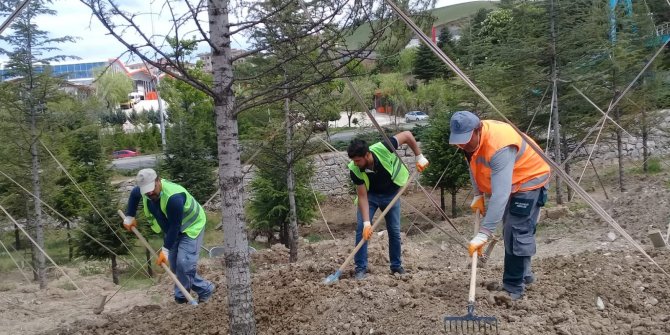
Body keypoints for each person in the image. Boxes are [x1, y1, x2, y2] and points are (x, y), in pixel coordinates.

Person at [449, 111, 550, 300]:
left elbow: (500, 194)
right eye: (459, 141)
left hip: (530, 178)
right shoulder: (468, 143)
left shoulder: (499, 145)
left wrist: (484, 233)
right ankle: (524, 274)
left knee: (516, 230)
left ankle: (513, 288)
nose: (462, 145)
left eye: (466, 140)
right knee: (512, 230)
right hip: (511, 180)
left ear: (478, 130)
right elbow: (473, 165)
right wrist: (478, 194)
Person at [123, 168, 215, 304]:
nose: (149, 192)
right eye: (146, 190)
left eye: (152, 188)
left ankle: (182, 297)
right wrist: (130, 216)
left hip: (191, 226)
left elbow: (175, 226)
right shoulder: (144, 191)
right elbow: (134, 194)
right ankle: (202, 290)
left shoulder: (173, 197)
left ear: (158, 181)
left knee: (184, 263)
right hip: (172, 229)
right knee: (175, 266)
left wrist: (165, 250)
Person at [347, 131, 429, 280]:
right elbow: (362, 196)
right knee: (361, 230)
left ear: (367, 155)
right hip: (370, 196)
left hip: (391, 194)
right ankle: (360, 268)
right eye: (354, 161)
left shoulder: (383, 148)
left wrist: (419, 156)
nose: (355, 163)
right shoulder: (354, 169)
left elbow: (407, 135)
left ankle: (396, 266)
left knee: (394, 231)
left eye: (358, 160)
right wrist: (367, 223)